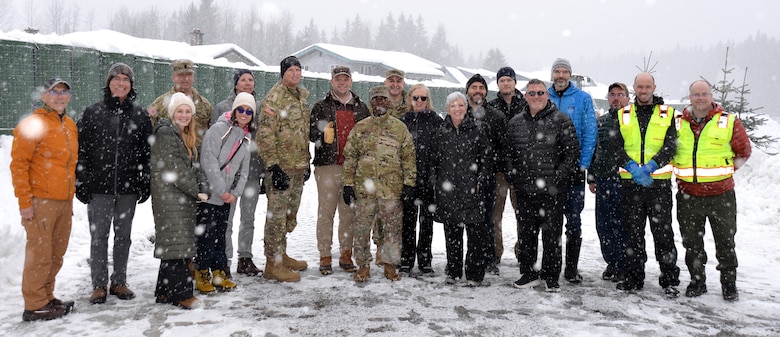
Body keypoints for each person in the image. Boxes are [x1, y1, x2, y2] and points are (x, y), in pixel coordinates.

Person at [76, 63, 152, 304]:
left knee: (123, 236)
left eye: (125, 79)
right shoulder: (92, 112)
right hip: (99, 188)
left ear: (131, 85)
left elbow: (146, 152)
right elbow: (82, 150)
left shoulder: (140, 116)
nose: (121, 83)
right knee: (99, 237)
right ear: (108, 83)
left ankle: (119, 281)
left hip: (128, 189)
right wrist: (81, 180)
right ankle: (98, 284)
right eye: (116, 79)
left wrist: (144, 179)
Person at [674, 79, 752, 301]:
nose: (700, 98)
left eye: (704, 94)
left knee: (725, 242)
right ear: (690, 98)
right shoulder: (679, 123)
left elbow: (744, 150)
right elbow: (669, 150)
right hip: (688, 196)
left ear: (711, 96)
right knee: (692, 242)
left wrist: (726, 172)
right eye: (696, 94)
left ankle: (729, 284)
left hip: (721, 196)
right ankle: (697, 281)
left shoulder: (728, 121)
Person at [11, 78, 78, 321]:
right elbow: (19, 165)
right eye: (54, 92)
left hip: (64, 200)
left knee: (56, 253)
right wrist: (25, 203)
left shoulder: (69, 125)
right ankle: (34, 303)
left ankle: (47, 296)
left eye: (64, 92)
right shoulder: (33, 124)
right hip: (41, 201)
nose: (59, 96)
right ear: (44, 96)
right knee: (39, 254)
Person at [506, 79, 580, 293]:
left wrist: (557, 177)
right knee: (527, 234)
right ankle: (529, 272)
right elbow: (507, 153)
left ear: (547, 95)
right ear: (526, 96)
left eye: (540, 93)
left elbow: (571, 153)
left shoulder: (561, 120)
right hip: (525, 189)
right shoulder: (516, 122)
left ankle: (550, 275)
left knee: (551, 235)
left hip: (552, 191)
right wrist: (513, 174)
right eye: (531, 93)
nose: (536, 97)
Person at [613, 72, 681, 298]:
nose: (643, 91)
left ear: (654, 87)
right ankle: (634, 278)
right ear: (634, 88)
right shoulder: (623, 114)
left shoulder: (667, 114)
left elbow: (671, 145)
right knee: (633, 234)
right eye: (639, 87)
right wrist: (632, 167)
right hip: (631, 185)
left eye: (647, 87)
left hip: (658, 184)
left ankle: (669, 280)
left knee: (663, 234)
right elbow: (615, 147)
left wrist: (652, 165)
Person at [342, 86, 416, 283]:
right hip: (364, 189)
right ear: (371, 103)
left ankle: (390, 265)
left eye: (383, 99)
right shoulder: (361, 127)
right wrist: (348, 183)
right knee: (361, 229)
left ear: (388, 102)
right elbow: (350, 157)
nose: (380, 102)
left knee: (392, 230)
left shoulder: (399, 128)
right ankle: (363, 266)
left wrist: (409, 183)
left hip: (391, 189)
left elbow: (408, 157)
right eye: (376, 99)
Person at [151, 92, 209, 310]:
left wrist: (201, 186)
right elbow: (176, 169)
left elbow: (192, 167)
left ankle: (164, 291)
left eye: (187, 111)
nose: (184, 115)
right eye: (180, 111)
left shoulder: (183, 135)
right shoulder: (166, 134)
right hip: (170, 197)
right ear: (172, 113)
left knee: (173, 243)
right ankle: (181, 294)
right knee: (178, 245)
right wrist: (197, 192)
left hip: (178, 197)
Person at [310, 66, 370, 275]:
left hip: (352, 168)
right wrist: (321, 132)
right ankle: (325, 255)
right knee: (326, 213)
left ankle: (346, 254)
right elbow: (310, 134)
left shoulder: (362, 108)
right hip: (328, 166)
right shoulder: (321, 106)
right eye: (338, 80)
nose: (342, 83)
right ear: (332, 82)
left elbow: (368, 137)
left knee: (348, 214)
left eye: (345, 79)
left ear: (351, 81)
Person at [256, 55, 311, 282]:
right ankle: (272, 264)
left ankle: (282, 254)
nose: (295, 74)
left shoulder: (300, 97)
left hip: (297, 165)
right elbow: (265, 135)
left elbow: (302, 131)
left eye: (298, 70)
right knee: (277, 217)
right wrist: (273, 166)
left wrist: (306, 161)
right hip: (281, 168)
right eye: (291, 71)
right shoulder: (274, 99)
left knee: (289, 215)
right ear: (283, 73)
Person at [194, 92, 254, 294]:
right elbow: (208, 162)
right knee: (206, 236)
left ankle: (219, 271)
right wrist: (221, 191)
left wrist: (234, 193)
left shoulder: (246, 137)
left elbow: (243, 170)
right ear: (234, 110)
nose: (244, 114)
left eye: (249, 111)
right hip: (209, 194)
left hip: (227, 196)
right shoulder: (218, 129)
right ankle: (202, 271)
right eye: (241, 109)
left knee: (221, 234)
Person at [433, 91, 493, 286]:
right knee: (452, 234)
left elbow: (486, 159)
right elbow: (433, 160)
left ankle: (475, 274)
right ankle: (453, 271)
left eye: (460, 105)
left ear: (466, 107)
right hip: (448, 190)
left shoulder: (478, 129)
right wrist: (436, 181)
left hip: (472, 190)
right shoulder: (441, 131)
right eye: (453, 106)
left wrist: (481, 180)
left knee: (475, 234)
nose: (457, 109)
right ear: (447, 109)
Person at [547, 58, 597, 284]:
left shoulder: (583, 99)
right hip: (548, 171)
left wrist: (583, 163)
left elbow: (589, 132)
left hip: (575, 171)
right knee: (551, 220)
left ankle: (571, 268)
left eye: (564, 72)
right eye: (557, 71)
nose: (560, 75)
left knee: (573, 219)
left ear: (570, 75)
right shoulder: (542, 96)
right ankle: (551, 266)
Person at [213, 69, 265, 277]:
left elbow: (264, 140)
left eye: (250, 80)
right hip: (228, 173)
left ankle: (245, 257)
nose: (247, 83)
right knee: (227, 218)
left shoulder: (260, 109)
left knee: (249, 217)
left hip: (251, 170)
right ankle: (224, 259)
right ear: (235, 84)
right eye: (242, 80)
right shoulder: (222, 108)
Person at [587, 82, 630, 282]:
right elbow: (595, 150)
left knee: (621, 225)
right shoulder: (601, 122)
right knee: (603, 225)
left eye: (620, 94)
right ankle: (611, 262)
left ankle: (624, 265)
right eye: (612, 95)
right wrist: (592, 177)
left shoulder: (633, 121)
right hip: (603, 180)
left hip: (625, 182)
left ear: (627, 98)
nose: (616, 98)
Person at [399, 83, 443, 276]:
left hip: (428, 179)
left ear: (428, 100)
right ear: (410, 99)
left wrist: (435, 177)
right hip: (408, 180)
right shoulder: (403, 121)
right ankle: (406, 260)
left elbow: (441, 151)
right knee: (408, 223)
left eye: (423, 98)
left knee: (426, 223)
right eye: (415, 98)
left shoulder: (436, 121)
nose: (419, 101)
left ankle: (425, 260)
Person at [465, 73, 507, 275]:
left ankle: (489, 258)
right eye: (474, 87)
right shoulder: (460, 112)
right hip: (462, 177)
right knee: (465, 219)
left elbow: (503, 147)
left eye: (481, 88)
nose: (478, 91)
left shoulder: (496, 116)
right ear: (467, 92)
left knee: (488, 218)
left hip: (489, 176)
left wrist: (489, 166)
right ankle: (467, 258)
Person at [487, 66, 527, 265]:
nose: (506, 83)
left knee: (523, 213)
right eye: (502, 80)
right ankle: (495, 253)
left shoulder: (526, 104)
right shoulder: (491, 106)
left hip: (521, 169)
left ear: (515, 82)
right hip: (499, 169)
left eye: (509, 80)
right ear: (498, 84)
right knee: (495, 215)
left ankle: (523, 252)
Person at [147, 59, 213, 147]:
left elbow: (212, 133)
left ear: (193, 77)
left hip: (198, 157)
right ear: (173, 77)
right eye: (181, 75)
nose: (186, 78)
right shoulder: (160, 104)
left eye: (189, 75)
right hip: (171, 156)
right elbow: (148, 129)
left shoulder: (204, 104)